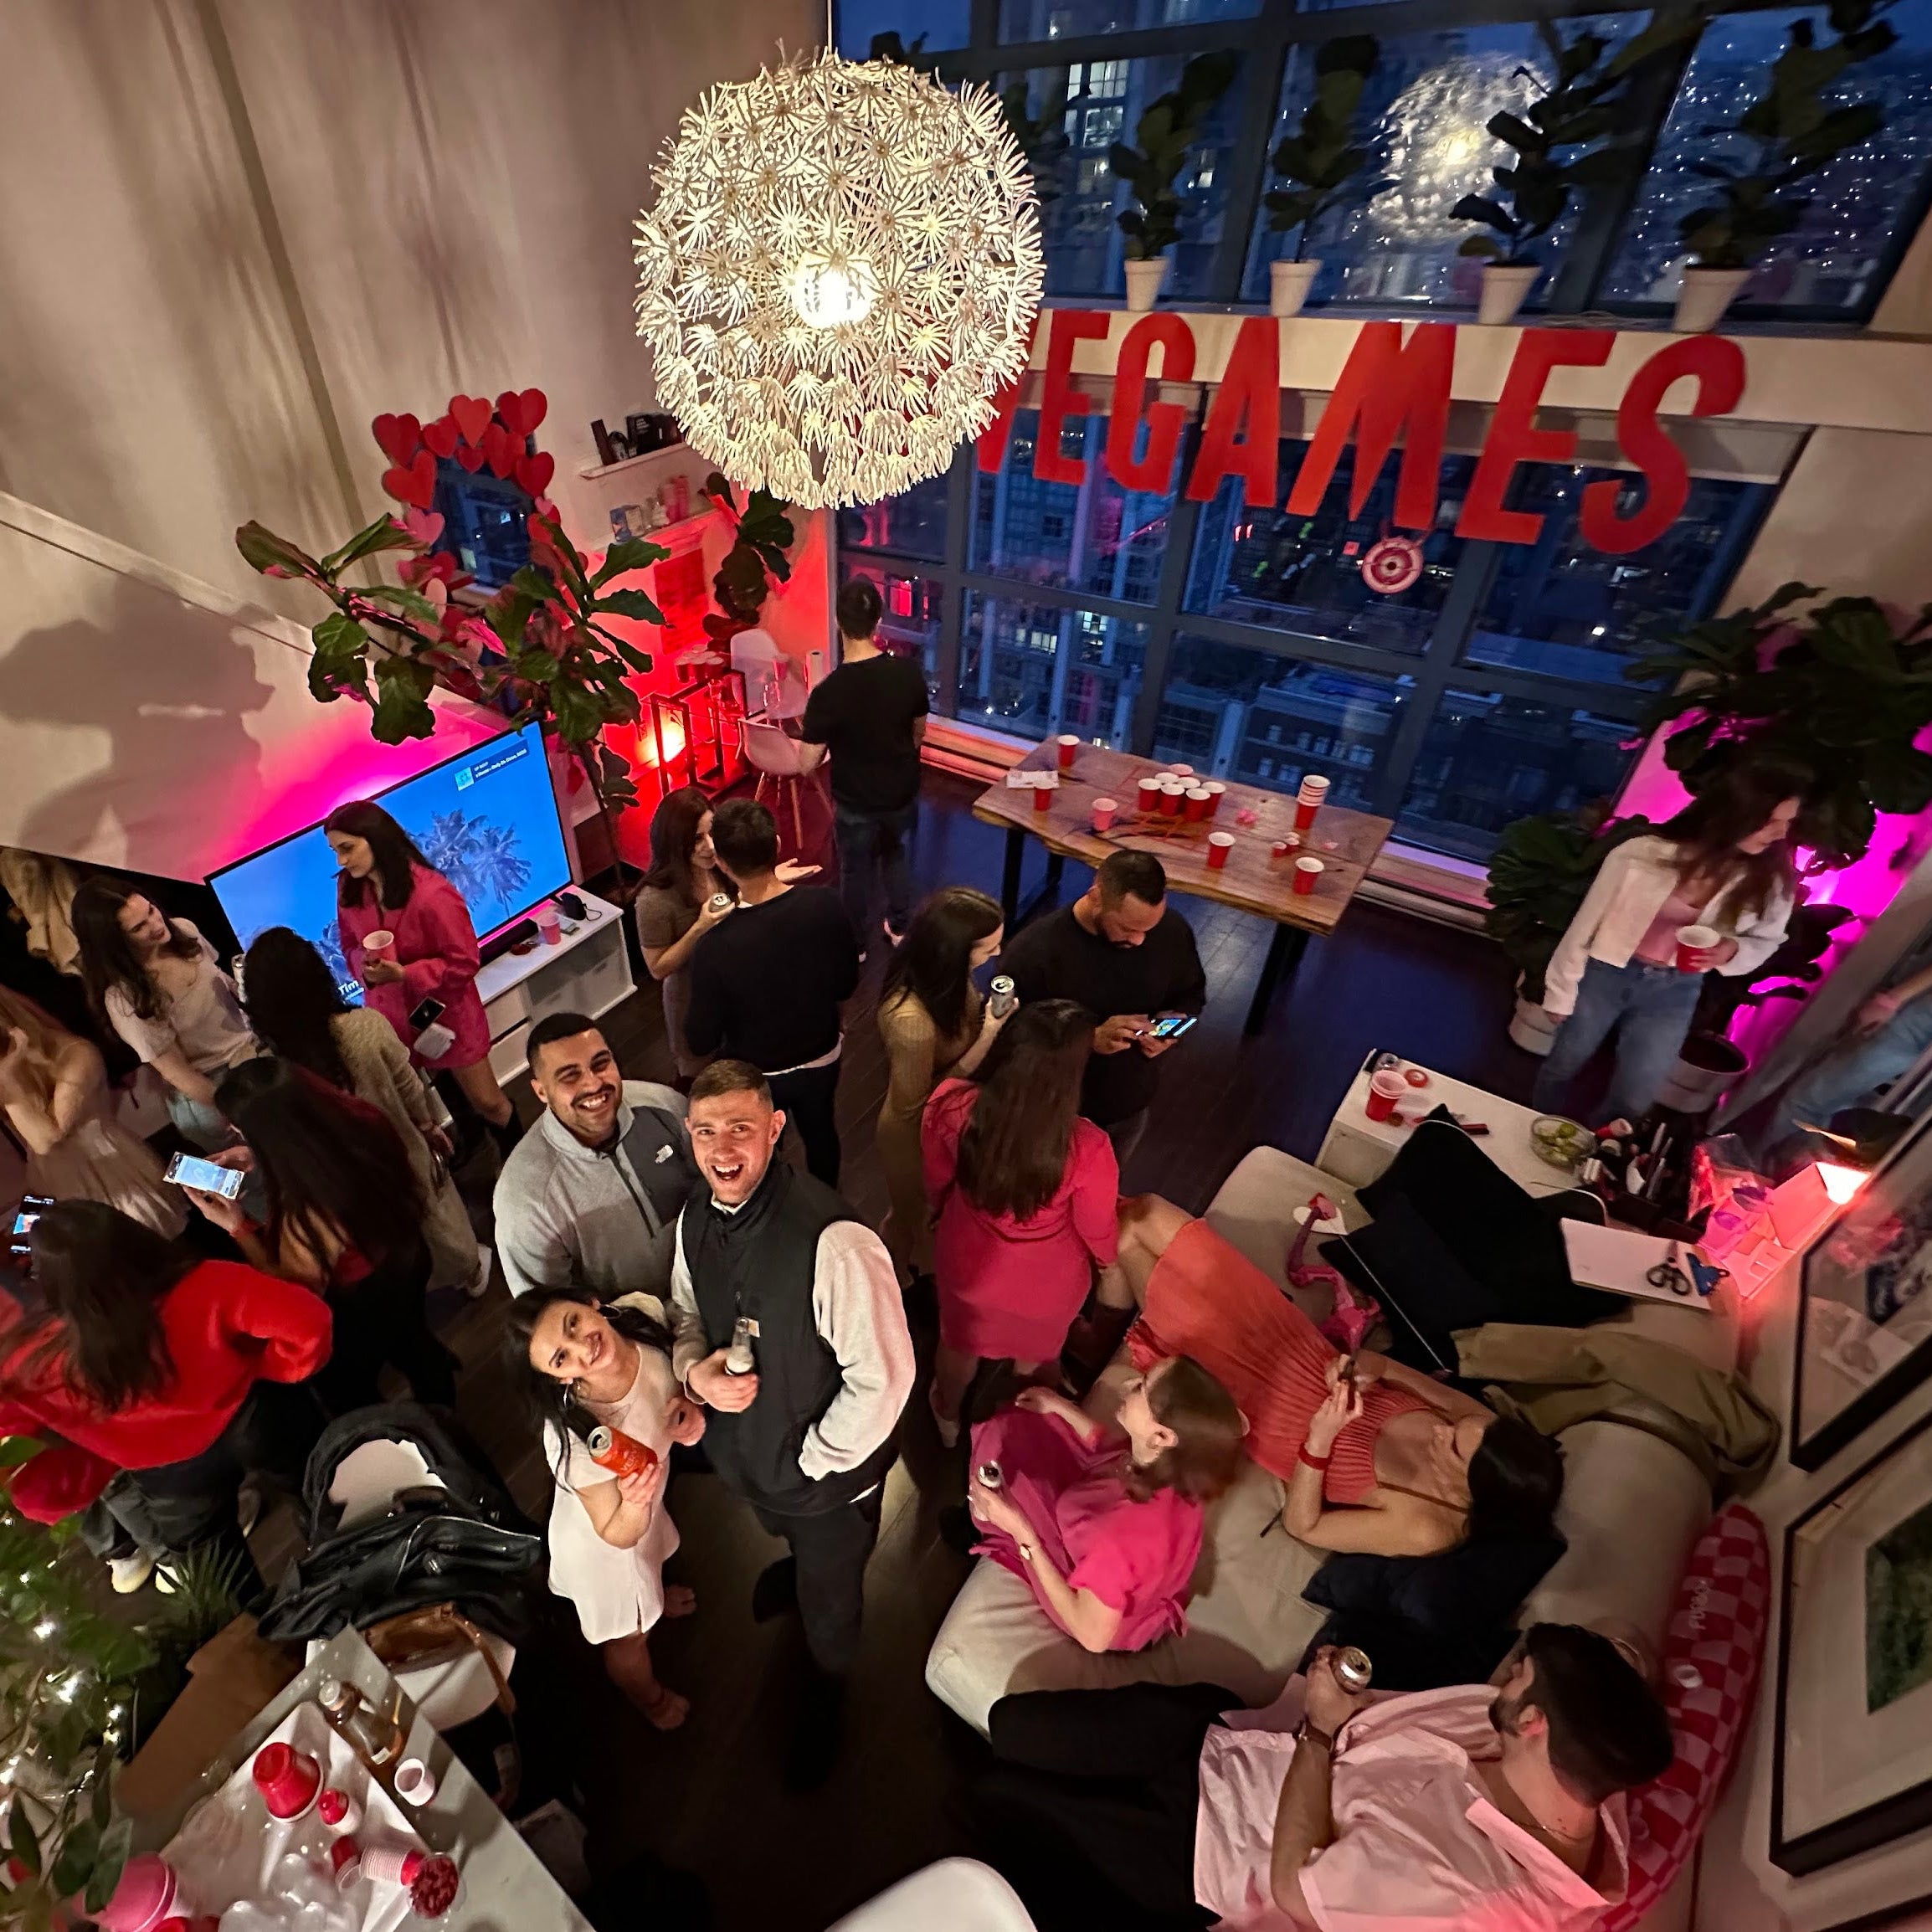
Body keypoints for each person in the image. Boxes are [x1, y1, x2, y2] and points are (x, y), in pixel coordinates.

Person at [976, 1623, 1674, 1932]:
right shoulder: (1588, 1774)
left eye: (1519, 1677)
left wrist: (1320, 1726)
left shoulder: (1473, 1898)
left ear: (1535, 1723)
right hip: (1229, 1740)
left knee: (994, 1798)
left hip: (1198, 1845)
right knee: (1012, 1725)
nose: (1506, 1676)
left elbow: (1297, 1885)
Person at [668, 1060, 914, 1773]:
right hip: (752, 1456)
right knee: (780, 1529)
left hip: (826, 1480)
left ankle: (828, 1689)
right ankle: (795, 1562)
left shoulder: (835, 1243)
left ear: (776, 1129)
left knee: (833, 1599)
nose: (722, 1149)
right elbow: (685, 1310)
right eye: (706, 1132)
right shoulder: (693, 1219)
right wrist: (694, 1371)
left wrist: (811, 1461)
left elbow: (886, 1380)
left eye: (740, 1128)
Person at [1095, 1196, 1565, 1557]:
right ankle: (1098, 1307)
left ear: (1469, 1487)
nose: (1444, 1429)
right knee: (1144, 1211)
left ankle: (1096, 1325)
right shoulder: (1482, 1428)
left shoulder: (1427, 1527)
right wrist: (1359, 1370)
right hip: (1291, 1341)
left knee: (1124, 1234)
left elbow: (1306, 1527)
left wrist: (1320, 1440)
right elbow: (1387, 1368)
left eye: (1453, 1446)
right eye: (1456, 1425)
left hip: (1249, 1402)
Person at [0, 1200, 330, 1589]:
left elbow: (29, 1473)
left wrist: (107, 1451)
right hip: (251, 1416)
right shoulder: (207, 1282)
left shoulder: (32, 1363)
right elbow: (309, 1322)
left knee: (218, 1578)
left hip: (164, 1471)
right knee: (321, 1495)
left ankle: (266, 1626)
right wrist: (267, 1367)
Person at [1534, 769, 1804, 1126]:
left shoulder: (1771, 883)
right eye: (1770, 821)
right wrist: (1560, 989)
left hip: (1677, 988)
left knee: (1638, 1091)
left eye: (1788, 822)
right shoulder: (1641, 854)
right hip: (1605, 973)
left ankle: (1600, 1149)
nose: (1781, 833)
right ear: (1733, 814)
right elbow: (1585, 924)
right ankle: (1535, 1123)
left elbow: (1768, 940)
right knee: (1565, 1061)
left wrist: (1732, 950)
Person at [193, 1056, 455, 1414]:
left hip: (364, 1302)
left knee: (349, 1392)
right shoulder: (362, 1119)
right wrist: (263, 1152)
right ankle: (442, 1399)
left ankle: (406, 1431)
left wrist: (237, 1226)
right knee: (414, 1339)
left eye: (238, 1128)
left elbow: (293, 1294)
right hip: (405, 1252)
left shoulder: (310, 1212)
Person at [239, 927, 481, 1295]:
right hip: (402, 1149)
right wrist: (428, 1126)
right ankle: (468, 1272)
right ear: (318, 975)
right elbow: (410, 1087)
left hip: (343, 1183)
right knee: (435, 1212)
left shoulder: (271, 1069)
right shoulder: (366, 1026)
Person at [922, 1000, 1119, 1446]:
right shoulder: (1088, 1145)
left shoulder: (951, 1104)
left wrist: (938, 1212)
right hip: (1048, 1280)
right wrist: (1108, 1261)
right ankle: (1019, 1430)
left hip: (968, 1257)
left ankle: (947, 1415)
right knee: (1036, 1354)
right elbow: (1097, 1228)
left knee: (958, 1344)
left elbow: (936, 1181)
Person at [511, 1285, 706, 1729]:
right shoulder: (574, 1434)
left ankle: (656, 1599)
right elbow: (615, 1532)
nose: (584, 1348)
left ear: (590, 1303)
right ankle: (650, 1700)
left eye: (573, 1323)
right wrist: (636, 1502)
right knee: (629, 1637)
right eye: (562, 1358)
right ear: (559, 1379)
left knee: (652, 1574)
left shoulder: (641, 1317)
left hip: (644, 1505)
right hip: (605, 1544)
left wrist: (690, 1407)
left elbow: (682, 1372)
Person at [963, 1362, 1244, 1655]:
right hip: (1109, 1550)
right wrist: (1059, 1406)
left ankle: (980, 1521)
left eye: (1140, 1387)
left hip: (1090, 1603)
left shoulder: (1120, 1538)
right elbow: (1112, 1452)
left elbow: (1092, 1637)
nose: (1126, 1386)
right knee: (1032, 1426)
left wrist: (1024, 1536)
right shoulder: (1180, 1470)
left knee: (1005, 1461)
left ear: (1162, 1437)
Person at [323, 800, 522, 1161]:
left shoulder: (432, 894)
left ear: (376, 839)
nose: (341, 861)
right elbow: (348, 944)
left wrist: (405, 974)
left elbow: (465, 962)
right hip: (393, 1019)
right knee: (442, 1083)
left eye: (347, 848)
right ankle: (473, 1144)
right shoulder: (349, 890)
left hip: (446, 1014)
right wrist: (362, 965)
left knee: (488, 1101)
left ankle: (521, 1163)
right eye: (335, 851)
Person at [684, 799, 862, 1187]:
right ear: (777, 845)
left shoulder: (714, 947)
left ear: (722, 864)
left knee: (764, 1149)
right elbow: (847, 984)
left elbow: (700, 1040)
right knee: (821, 1131)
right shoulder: (827, 904)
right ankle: (828, 1202)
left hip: (758, 1072)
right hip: (822, 1053)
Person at [998, 850, 1205, 1173]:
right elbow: (1006, 1039)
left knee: (1108, 1192)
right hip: (1055, 1114)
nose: (1139, 940)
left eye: (1149, 928)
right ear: (1096, 897)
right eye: (1127, 928)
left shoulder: (1172, 930)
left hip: (1130, 1108)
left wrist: (1173, 1031)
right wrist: (1088, 1038)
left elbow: (1192, 997)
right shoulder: (1033, 953)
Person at [492, 1012, 699, 1299]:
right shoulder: (523, 1199)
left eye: (600, 1064)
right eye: (570, 1076)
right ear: (541, 1092)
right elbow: (551, 1308)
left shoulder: (666, 1106)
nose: (592, 1084)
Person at [876, 886, 1007, 1281]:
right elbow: (918, 1104)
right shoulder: (910, 1021)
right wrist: (988, 1036)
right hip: (911, 1133)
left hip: (946, 1120)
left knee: (926, 1212)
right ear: (954, 951)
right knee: (911, 1215)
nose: (998, 954)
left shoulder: (948, 977)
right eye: (988, 948)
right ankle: (889, 1279)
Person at [71, 877, 257, 1150]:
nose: (156, 925)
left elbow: (225, 983)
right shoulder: (127, 999)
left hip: (251, 1053)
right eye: (139, 927)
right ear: (114, 942)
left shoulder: (183, 930)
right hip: (215, 1088)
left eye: (151, 911)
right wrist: (235, 1110)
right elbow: (179, 1075)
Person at [800, 577, 931, 949]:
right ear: (879, 621)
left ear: (838, 621)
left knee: (854, 871)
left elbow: (807, 762)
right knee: (895, 854)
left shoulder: (828, 692)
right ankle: (900, 926)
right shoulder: (908, 673)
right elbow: (918, 733)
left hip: (856, 800)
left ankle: (856, 944)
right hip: (901, 791)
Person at [0, 985, 184, 1237]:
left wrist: (7, 1080)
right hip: (54, 1181)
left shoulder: (75, 1054)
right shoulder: (11, 1067)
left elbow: (46, 1139)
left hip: (108, 1173)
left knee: (142, 1247)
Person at [1759, 959, 1932, 1168]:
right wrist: (1891, 1000)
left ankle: (1763, 1173)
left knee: (1811, 1105)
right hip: (1917, 1026)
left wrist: (1890, 1001)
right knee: (1823, 1107)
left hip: (1917, 1025)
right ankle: (1771, 1172)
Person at [633, 786, 737, 1085]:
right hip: (692, 1001)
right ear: (674, 843)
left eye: (712, 833)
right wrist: (700, 927)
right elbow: (658, 968)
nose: (710, 846)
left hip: (733, 989)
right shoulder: (654, 899)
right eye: (697, 839)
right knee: (700, 1080)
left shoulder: (720, 867)